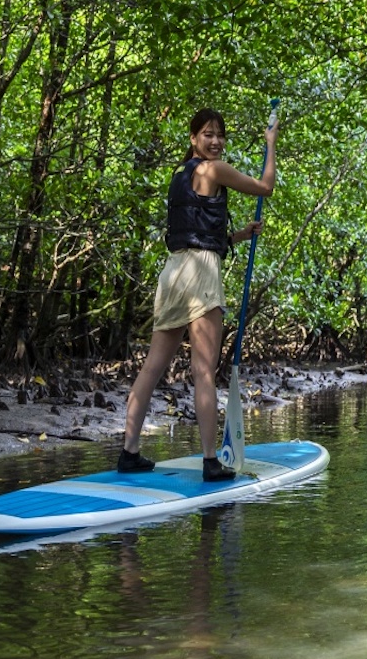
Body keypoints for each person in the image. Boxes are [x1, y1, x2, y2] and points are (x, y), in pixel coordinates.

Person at [119, 107, 278, 481]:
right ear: (193, 138)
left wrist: (239, 236)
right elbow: (266, 187)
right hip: (201, 273)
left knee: (152, 367)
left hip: (173, 271)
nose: (216, 141)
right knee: (204, 371)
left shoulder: (181, 174)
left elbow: (196, 230)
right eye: (208, 134)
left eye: (220, 135)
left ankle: (129, 452)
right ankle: (211, 461)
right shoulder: (214, 169)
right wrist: (271, 143)